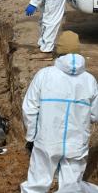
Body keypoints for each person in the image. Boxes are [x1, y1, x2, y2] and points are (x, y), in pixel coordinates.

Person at [21, 31, 98, 193]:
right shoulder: (89, 80)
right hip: (76, 143)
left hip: (47, 140)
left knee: (36, 184)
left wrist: (31, 136)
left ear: (59, 51)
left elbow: (29, 108)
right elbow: (95, 115)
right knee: (71, 187)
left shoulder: (44, 75)